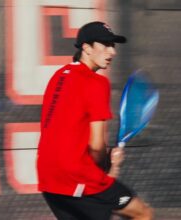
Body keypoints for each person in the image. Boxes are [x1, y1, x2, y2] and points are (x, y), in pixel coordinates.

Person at [37, 21, 153, 220]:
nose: (112, 52)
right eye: (105, 45)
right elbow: (97, 145)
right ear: (86, 48)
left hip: (48, 177)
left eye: (113, 45)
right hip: (76, 175)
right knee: (142, 213)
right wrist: (111, 166)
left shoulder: (58, 76)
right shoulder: (97, 83)